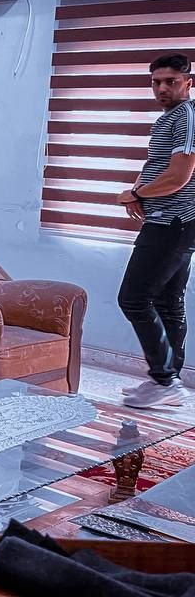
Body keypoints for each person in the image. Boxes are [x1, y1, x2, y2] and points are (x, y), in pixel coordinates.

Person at [117, 54, 195, 409]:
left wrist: (137, 194)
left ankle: (165, 380)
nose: (162, 88)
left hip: (174, 222)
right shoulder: (170, 117)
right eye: (156, 82)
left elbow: (180, 176)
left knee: (133, 298)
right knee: (167, 300)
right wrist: (139, 189)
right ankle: (166, 381)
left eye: (171, 81)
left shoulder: (187, 116)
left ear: (188, 83)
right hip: (168, 220)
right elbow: (158, 165)